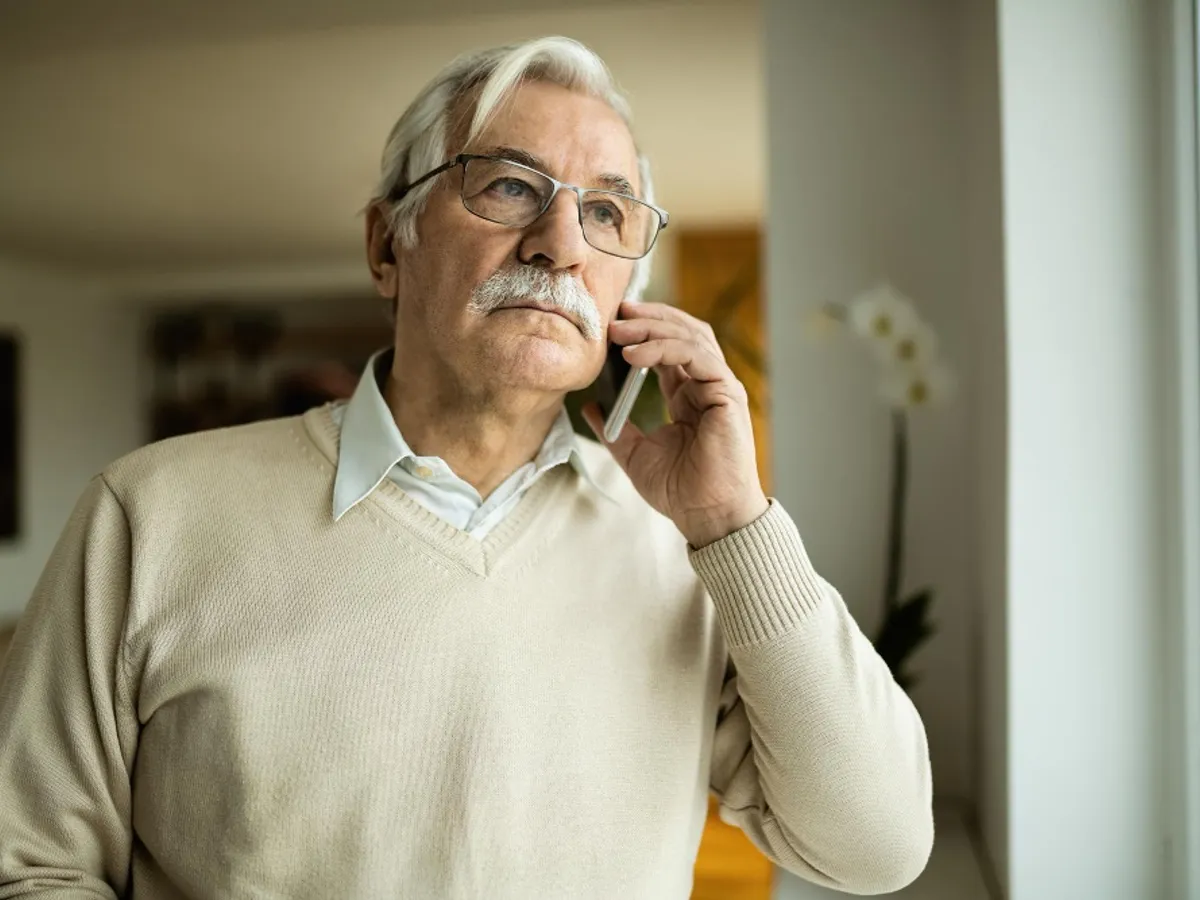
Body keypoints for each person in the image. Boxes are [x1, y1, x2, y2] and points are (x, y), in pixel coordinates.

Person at [0, 36, 933, 899]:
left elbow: (876, 848)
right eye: (511, 188)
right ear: (385, 246)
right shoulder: (150, 515)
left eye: (605, 211)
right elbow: (29, 864)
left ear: (624, 295)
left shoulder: (688, 552)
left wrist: (737, 525)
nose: (561, 245)